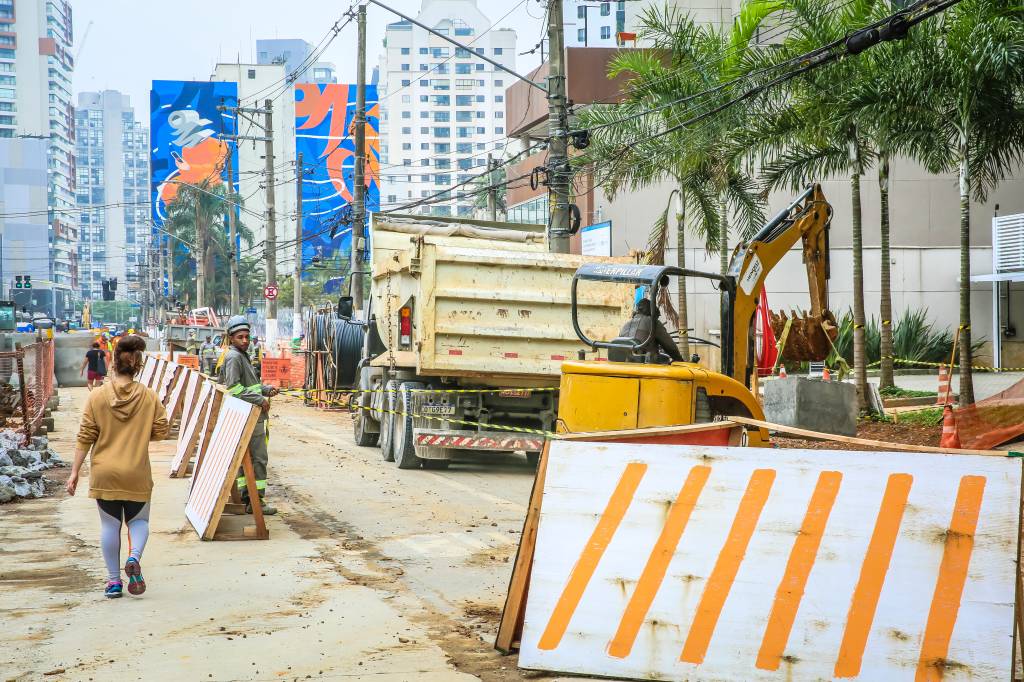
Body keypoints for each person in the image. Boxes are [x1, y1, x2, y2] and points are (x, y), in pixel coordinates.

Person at [66, 335, 169, 599]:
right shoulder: (149, 397)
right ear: (138, 364)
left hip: (105, 472)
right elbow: (161, 431)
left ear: (113, 361)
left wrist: (74, 472)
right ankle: (134, 557)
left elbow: (85, 435)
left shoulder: (97, 396)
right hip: (136, 471)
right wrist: (140, 430)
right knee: (139, 521)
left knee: (110, 526)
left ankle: (113, 583)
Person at [219, 316, 279, 515]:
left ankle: (248, 498)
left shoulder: (241, 354)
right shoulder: (234, 357)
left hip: (251, 415)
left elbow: (249, 385)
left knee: (249, 460)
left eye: (246, 336)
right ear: (231, 338)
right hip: (248, 416)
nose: (245, 340)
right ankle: (256, 501)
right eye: (240, 337)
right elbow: (234, 388)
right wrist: (259, 400)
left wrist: (265, 389)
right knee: (258, 459)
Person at [615, 298, 684, 363]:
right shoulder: (653, 322)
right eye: (656, 316)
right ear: (651, 312)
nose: (656, 318)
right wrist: (680, 360)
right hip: (644, 368)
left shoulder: (625, 325)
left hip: (623, 366)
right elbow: (670, 347)